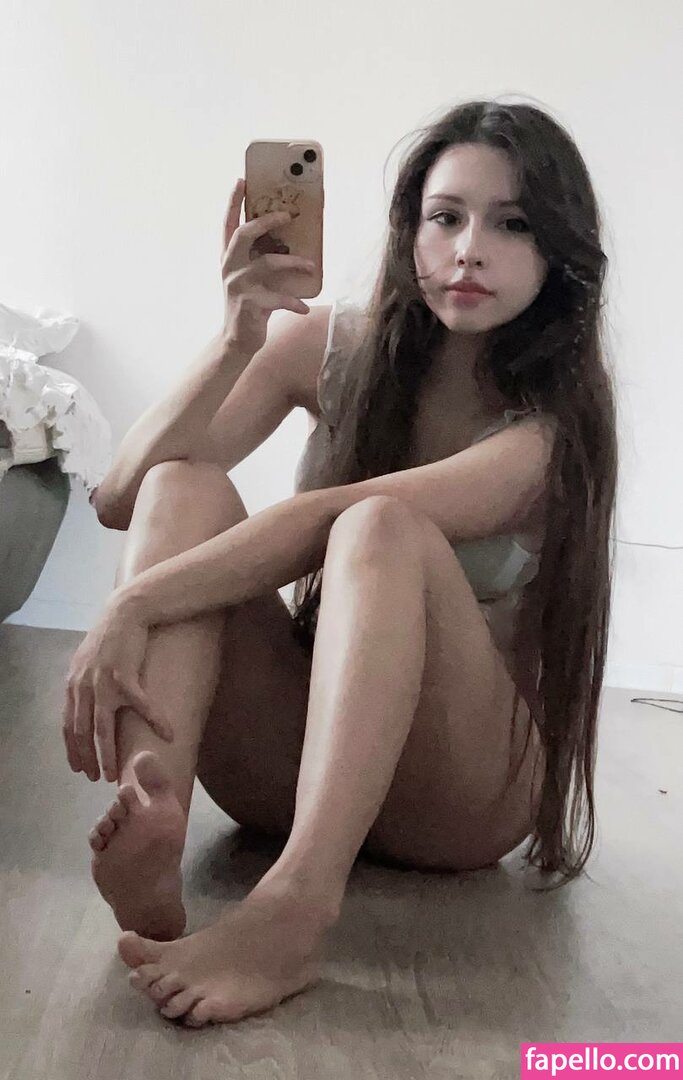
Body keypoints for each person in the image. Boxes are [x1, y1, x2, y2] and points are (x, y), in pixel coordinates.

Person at [62, 98, 618, 1028]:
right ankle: (152, 815)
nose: (468, 251)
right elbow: (124, 496)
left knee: (378, 527)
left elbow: (327, 520)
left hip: (457, 799)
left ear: (559, 253)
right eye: (445, 217)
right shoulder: (331, 348)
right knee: (184, 486)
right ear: (409, 231)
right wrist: (237, 336)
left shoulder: (549, 432)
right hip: (297, 768)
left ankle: (295, 908)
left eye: (512, 224)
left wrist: (134, 605)